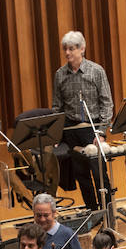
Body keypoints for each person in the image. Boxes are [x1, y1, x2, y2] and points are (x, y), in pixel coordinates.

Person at [51, 31, 114, 211]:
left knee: (99, 173)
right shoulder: (60, 75)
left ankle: (107, 210)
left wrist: (101, 133)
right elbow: (57, 107)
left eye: (71, 49)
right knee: (81, 174)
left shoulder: (96, 71)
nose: (67, 53)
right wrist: (57, 134)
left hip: (92, 128)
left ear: (82, 49)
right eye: (65, 49)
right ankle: (93, 211)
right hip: (71, 129)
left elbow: (107, 103)